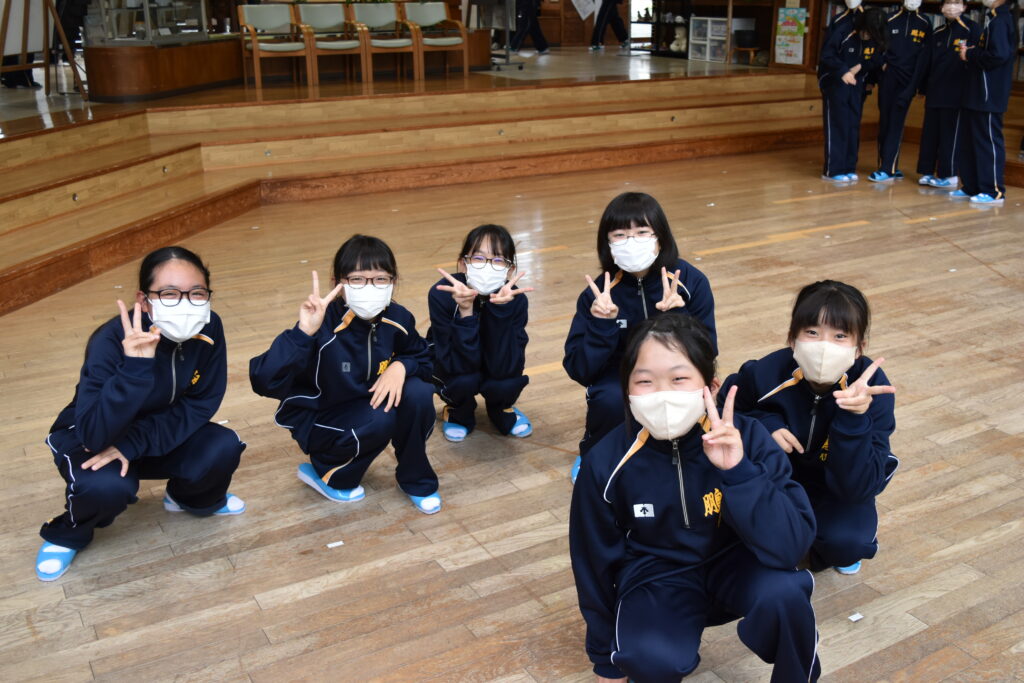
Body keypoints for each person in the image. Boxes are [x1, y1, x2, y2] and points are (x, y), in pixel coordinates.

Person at [569, 314, 819, 682]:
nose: (662, 394)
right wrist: (604, 657)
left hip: (738, 563)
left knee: (786, 595)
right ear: (627, 390)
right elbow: (592, 564)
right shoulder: (606, 462)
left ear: (711, 386)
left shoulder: (749, 439)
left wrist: (739, 473)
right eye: (644, 381)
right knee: (647, 658)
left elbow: (791, 546)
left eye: (679, 379)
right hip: (658, 574)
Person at [35, 246, 246, 582]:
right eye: (169, 294)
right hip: (94, 436)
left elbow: (202, 401)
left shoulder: (209, 327)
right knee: (104, 487)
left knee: (222, 446)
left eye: (197, 293)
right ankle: (68, 533)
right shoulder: (110, 340)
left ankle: (186, 498)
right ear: (144, 300)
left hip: (153, 434)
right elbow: (93, 434)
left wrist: (134, 443)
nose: (186, 303)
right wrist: (135, 368)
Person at [249, 235, 441, 514]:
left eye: (380, 279)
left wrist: (401, 366)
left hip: (367, 403)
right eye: (357, 279)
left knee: (419, 393)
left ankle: (415, 478)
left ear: (393, 281)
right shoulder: (321, 325)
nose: (370, 287)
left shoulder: (398, 318)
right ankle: (328, 472)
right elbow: (264, 380)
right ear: (338, 283)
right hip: (322, 416)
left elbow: (423, 357)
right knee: (381, 417)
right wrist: (303, 333)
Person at [720, 280, 897, 575]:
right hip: (778, 479)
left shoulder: (873, 390)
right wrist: (765, 423)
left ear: (858, 348)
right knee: (735, 536)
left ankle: (817, 543)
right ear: (793, 338)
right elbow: (727, 410)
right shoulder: (764, 373)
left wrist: (854, 419)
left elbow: (858, 488)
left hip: (836, 489)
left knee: (847, 543)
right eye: (812, 333)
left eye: (840, 336)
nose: (824, 347)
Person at [563, 192, 717, 483]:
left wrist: (679, 320)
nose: (631, 242)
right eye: (620, 235)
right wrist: (602, 325)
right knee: (610, 399)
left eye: (642, 232)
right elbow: (579, 369)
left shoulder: (690, 282)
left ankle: (684, 453)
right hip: (619, 374)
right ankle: (594, 456)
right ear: (607, 243)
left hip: (677, 370)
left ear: (660, 237)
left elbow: (709, 351)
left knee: (696, 396)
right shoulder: (599, 293)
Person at [428, 224, 534, 442]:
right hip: (456, 363)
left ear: (510, 270)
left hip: (497, 362)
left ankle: (501, 409)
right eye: (478, 258)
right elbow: (454, 363)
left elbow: (506, 365)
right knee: (462, 379)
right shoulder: (442, 294)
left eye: (498, 260)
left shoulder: (516, 299)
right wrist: (466, 312)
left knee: (505, 380)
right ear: (463, 264)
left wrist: (501, 311)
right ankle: (458, 411)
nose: (487, 265)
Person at [951, 0, 1019, 204]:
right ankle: (971, 185)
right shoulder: (994, 19)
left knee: (987, 141)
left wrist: (970, 54)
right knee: (969, 141)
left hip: (989, 94)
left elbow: (998, 55)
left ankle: (993, 190)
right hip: (977, 92)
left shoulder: (1001, 21)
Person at [914, 0, 979, 189]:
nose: (952, 7)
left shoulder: (972, 29)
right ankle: (926, 171)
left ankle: (949, 175)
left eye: (956, 3)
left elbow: (976, 60)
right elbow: (927, 62)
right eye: (948, 3)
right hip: (935, 90)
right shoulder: (938, 32)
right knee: (930, 133)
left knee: (950, 134)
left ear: (964, 7)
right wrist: (922, 88)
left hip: (958, 92)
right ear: (941, 8)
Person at [819, 8, 887, 182]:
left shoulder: (877, 38)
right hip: (834, 82)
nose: (868, 36)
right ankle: (833, 170)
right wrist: (843, 71)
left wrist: (861, 67)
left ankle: (849, 167)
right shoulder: (844, 31)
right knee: (838, 124)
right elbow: (827, 55)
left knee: (852, 125)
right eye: (866, 32)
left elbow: (877, 59)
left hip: (857, 84)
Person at [868, 0, 932, 183]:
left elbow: (926, 57)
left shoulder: (925, 22)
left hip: (909, 80)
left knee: (896, 121)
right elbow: (876, 46)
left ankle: (887, 168)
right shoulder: (889, 18)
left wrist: (922, 86)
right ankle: (888, 165)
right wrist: (879, 67)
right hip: (888, 77)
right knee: (886, 121)